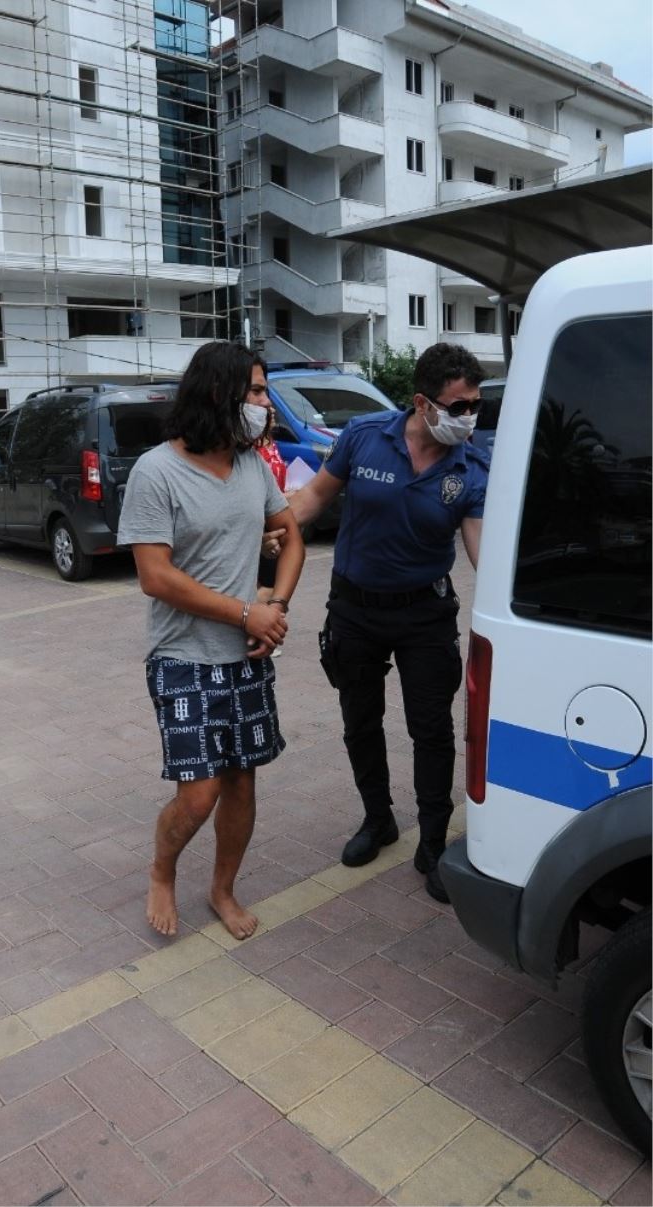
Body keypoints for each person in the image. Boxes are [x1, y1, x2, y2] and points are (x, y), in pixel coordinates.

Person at [281, 343, 488, 902]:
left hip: (425, 615)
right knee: (360, 720)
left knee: (432, 729)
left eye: (475, 406)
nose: (468, 417)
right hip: (355, 611)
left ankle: (433, 843)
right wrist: (262, 532)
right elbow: (311, 501)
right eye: (459, 406)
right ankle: (378, 820)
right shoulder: (364, 437)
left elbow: (482, 556)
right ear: (422, 403)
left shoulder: (471, 467)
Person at [117, 341, 305, 939]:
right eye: (257, 391)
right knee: (199, 795)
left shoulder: (252, 465)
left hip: (246, 656)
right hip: (183, 657)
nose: (265, 402)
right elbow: (155, 576)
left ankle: (222, 890)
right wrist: (246, 613)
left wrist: (275, 606)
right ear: (220, 393)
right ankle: (162, 870)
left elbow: (291, 536)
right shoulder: (156, 471)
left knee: (242, 783)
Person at [247, 358, 289, 655]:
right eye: (257, 392)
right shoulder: (247, 452)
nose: (267, 407)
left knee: (272, 580)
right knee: (263, 583)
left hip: (276, 521)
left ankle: (265, 625)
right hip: (260, 526)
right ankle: (257, 626)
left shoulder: (270, 445)